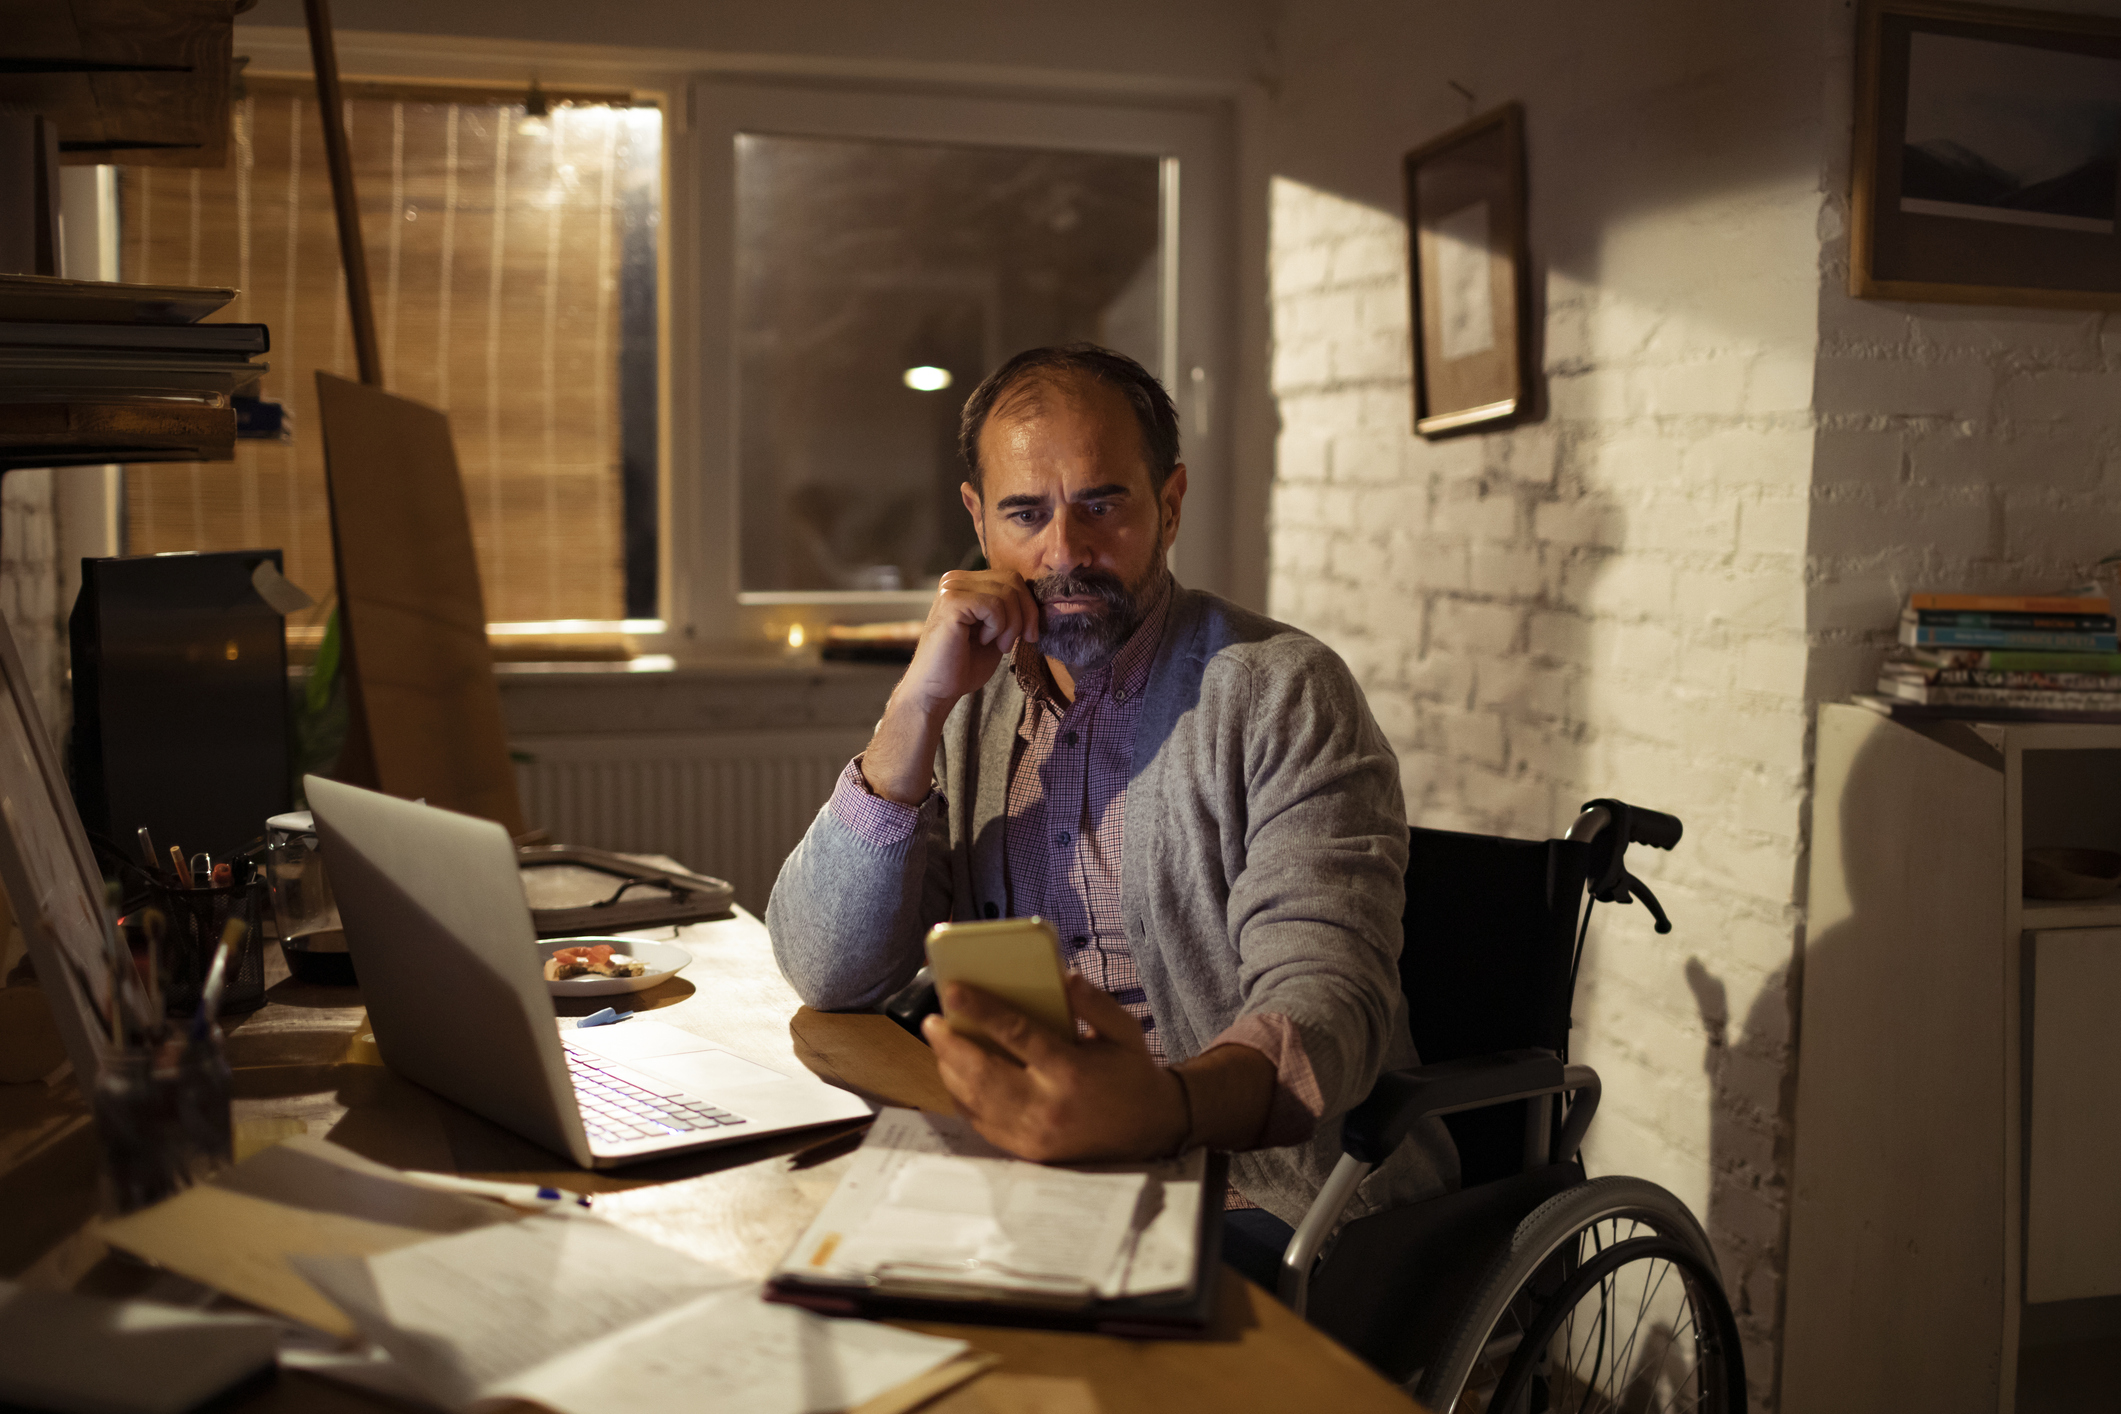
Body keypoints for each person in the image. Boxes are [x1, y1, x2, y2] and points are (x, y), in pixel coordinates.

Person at [767, 344, 1456, 1284]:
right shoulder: (971, 695)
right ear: (977, 518)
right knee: (802, 1277)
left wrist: (1159, 1110)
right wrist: (913, 712)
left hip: (1271, 1196)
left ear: (1168, 505)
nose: (1064, 552)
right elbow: (828, 965)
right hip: (1031, 1163)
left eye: (1102, 504)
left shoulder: (1280, 693)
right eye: (1024, 513)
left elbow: (1326, 1006)